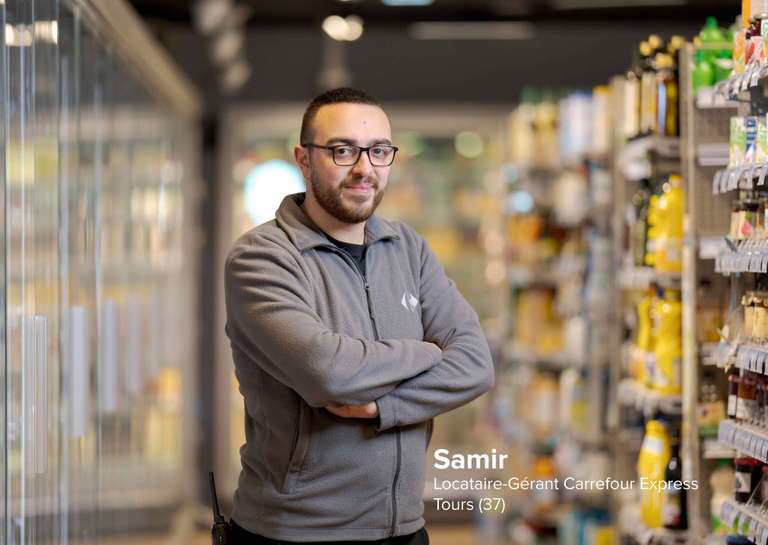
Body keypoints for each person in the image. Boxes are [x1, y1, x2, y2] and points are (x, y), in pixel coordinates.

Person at [224, 87, 495, 544]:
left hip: (405, 529)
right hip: (296, 533)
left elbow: (475, 365)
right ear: (304, 158)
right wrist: (427, 351)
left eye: (379, 151)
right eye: (342, 150)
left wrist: (381, 407)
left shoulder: (408, 248)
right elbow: (329, 372)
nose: (364, 168)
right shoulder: (261, 257)